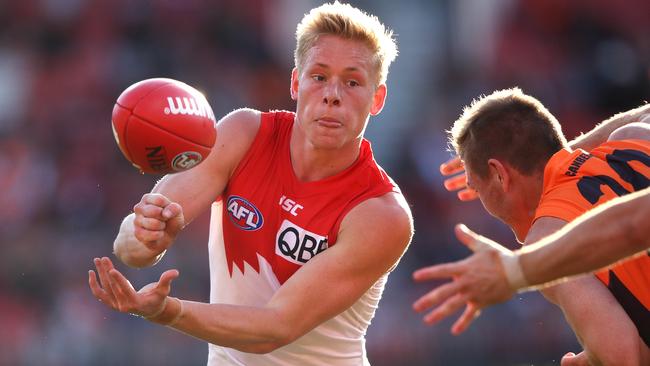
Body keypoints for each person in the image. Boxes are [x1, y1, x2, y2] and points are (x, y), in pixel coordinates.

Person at [88, 3, 413, 365]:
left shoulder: (381, 213)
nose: (332, 94)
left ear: (377, 99)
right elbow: (132, 246)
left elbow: (275, 328)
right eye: (319, 76)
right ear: (295, 82)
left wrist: (168, 311)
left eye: (352, 82)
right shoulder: (244, 134)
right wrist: (145, 235)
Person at [415, 88, 649, 366]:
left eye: (475, 187)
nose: (480, 201)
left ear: (500, 175)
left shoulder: (547, 241)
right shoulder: (634, 137)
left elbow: (625, 357)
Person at [413, 186, 650, 334]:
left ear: (501, 175)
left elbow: (633, 225)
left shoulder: (545, 232)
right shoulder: (629, 134)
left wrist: (512, 272)